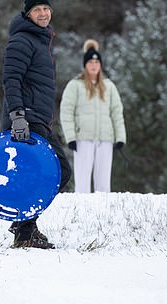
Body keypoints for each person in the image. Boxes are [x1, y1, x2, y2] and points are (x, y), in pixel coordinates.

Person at [2, 0, 71, 249]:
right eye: (37, 10)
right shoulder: (22, 40)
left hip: (36, 118)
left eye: (46, 8)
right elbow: (11, 79)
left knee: (42, 174)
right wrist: (17, 116)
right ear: (28, 13)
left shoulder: (39, 40)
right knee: (59, 170)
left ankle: (25, 227)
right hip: (25, 120)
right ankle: (24, 228)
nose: (43, 14)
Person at [60, 39, 126, 193]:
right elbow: (66, 112)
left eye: (96, 62)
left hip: (105, 139)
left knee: (103, 183)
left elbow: (117, 112)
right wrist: (70, 137)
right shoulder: (75, 85)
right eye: (90, 62)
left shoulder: (109, 86)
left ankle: (102, 214)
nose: (94, 65)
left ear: (100, 65)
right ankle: (83, 213)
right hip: (83, 139)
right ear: (85, 65)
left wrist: (120, 137)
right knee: (82, 182)